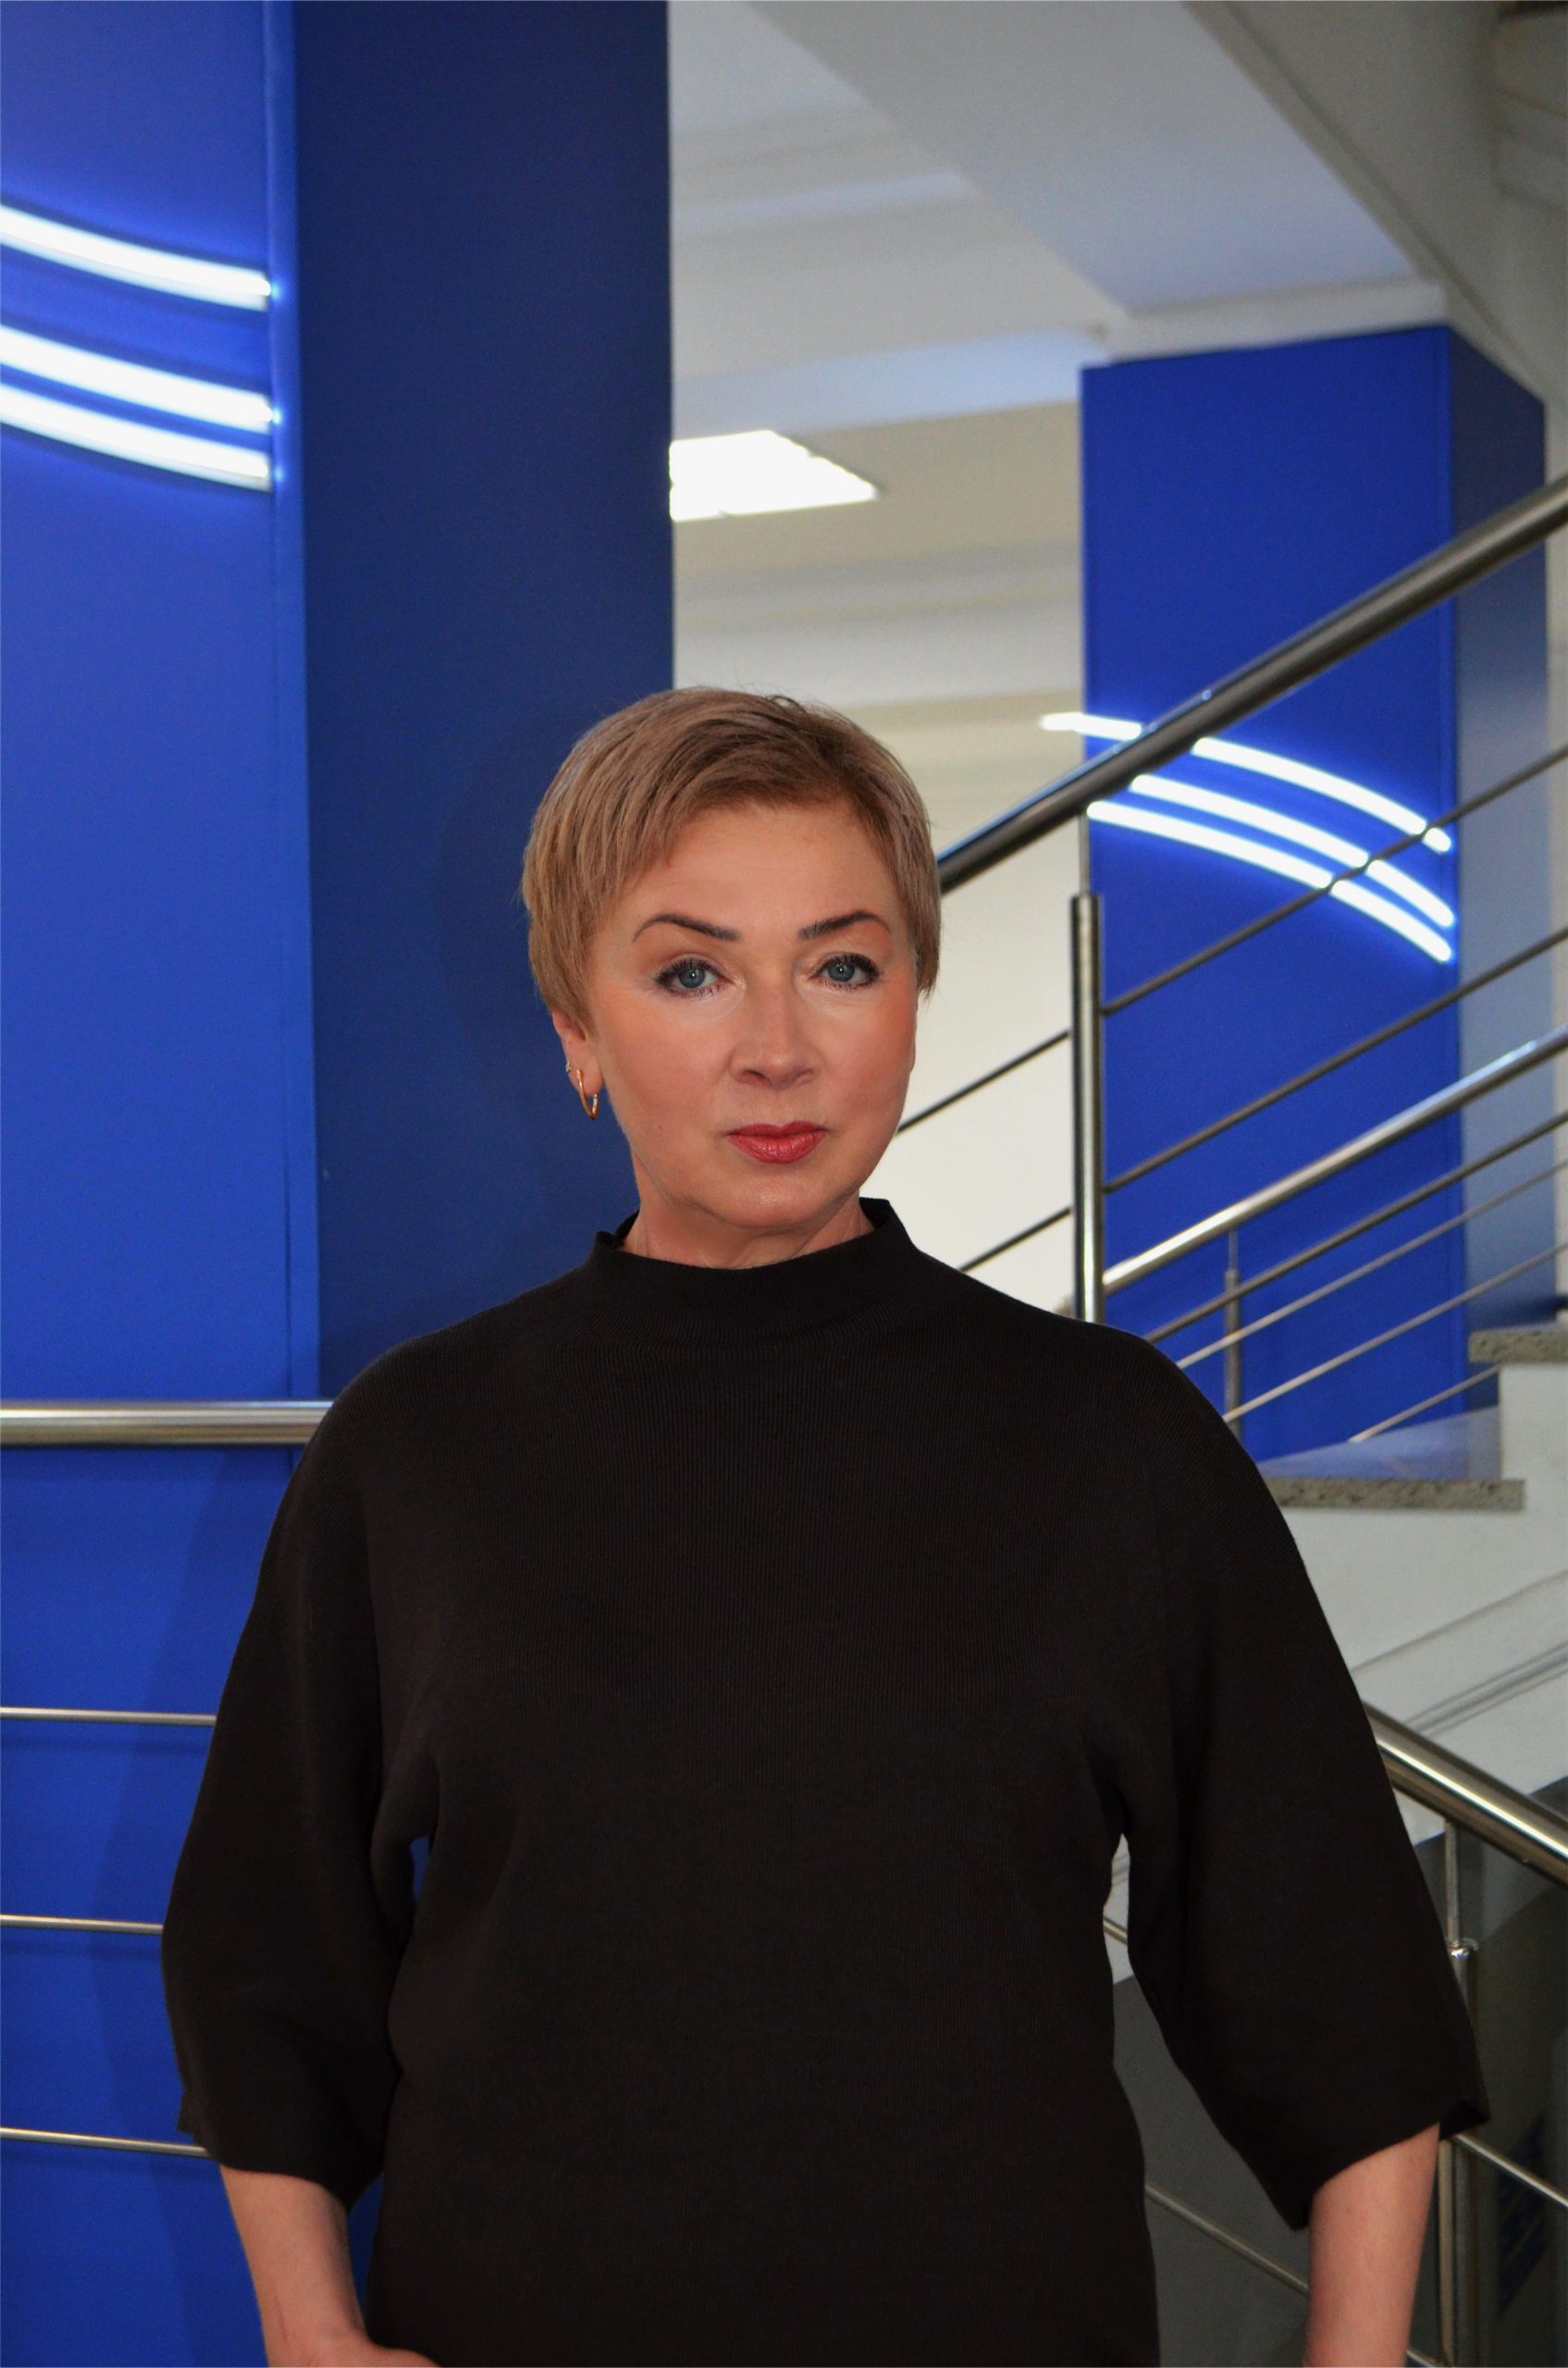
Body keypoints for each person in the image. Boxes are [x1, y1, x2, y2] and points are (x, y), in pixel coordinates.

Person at [161, 685, 1490, 2368]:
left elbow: (1336, 1969)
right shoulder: (415, 1450)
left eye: (844, 966)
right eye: (691, 973)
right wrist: (308, 2333)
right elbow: (270, 1952)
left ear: (912, 1001)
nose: (778, 1048)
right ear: (577, 1032)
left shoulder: (1109, 1439)